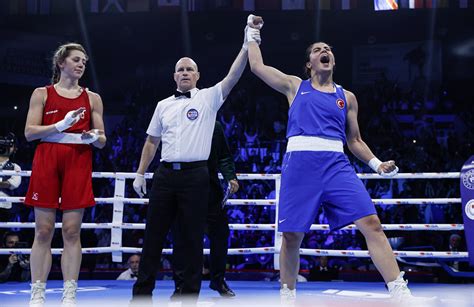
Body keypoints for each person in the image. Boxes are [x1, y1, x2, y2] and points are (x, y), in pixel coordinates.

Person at [245, 16, 425, 303]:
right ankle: (287, 295)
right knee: (292, 236)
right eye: (317, 50)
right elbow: (256, 66)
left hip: (336, 165)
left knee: (372, 224)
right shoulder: (294, 86)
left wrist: (376, 164)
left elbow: (354, 140)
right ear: (309, 64)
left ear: (333, 61)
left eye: (327, 48)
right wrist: (251, 31)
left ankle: (399, 291)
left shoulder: (347, 97)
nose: (324, 51)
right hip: (300, 164)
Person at [131, 34, 248, 302]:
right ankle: (141, 296)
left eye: (189, 69)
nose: (185, 73)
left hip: (196, 176)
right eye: (180, 69)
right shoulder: (163, 105)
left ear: (197, 75)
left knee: (191, 239)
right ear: (174, 76)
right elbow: (151, 141)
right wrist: (140, 172)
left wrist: (245, 44)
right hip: (164, 174)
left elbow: (233, 76)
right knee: (153, 236)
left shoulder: (208, 99)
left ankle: (186, 297)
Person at [23, 43, 106, 306]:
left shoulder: (92, 98)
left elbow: (102, 140)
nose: (81, 64)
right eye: (76, 60)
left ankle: (69, 292)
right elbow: (29, 133)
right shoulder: (42, 94)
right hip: (47, 159)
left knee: (71, 231)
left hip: (78, 160)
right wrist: (60, 125)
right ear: (61, 63)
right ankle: (38, 291)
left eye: (84, 61)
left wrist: (93, 136)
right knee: (43, 230)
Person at [172, 121, 239, 298]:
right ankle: (180, 285)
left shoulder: (214, 125)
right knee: (181, 237)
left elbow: (223, 155)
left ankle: (217, 280)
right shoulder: (178, 121)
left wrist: (230, 177)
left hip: (210, 189)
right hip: (183, 187)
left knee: (220, 234)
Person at [0, 133, 21, 219]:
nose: (6, 147)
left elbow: (13, 184)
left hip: (3, 207)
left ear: (14, 149)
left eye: (10, 145)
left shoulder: (15, 167)